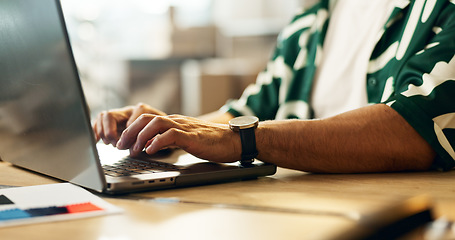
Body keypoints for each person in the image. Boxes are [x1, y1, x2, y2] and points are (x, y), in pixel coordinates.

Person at [93, 0, 455, 173]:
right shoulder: (311, 23)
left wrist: (243, 140)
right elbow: (248, 111)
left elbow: (414, 128)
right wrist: (169, 129)